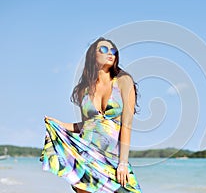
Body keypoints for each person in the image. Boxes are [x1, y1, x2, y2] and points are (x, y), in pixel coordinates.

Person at [40, 37, 142, 193]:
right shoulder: (84, 89)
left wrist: (123, 163)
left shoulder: (123, 81)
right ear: (93, 56)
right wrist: (59, 124)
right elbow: (86, 124)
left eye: (113, 50)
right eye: (104, 49)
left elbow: (126, 125)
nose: (110, 53)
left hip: (112, 158)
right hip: (85, 156)